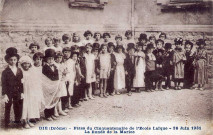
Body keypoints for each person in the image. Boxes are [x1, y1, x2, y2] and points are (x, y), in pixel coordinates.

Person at [2, 47, 23, 129]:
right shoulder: (5, 72)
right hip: (9, 92)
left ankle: (17, 122)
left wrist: (22, 92)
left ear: (17, 60)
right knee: (8, 107)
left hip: (17, 92)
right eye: (11, 60)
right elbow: (3, 84)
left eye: (15, 60)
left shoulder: (19, 70)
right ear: (7, 60)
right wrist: (4, 95)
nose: (13, 61)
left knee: (17, 107)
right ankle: (6, 124)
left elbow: (21, 82)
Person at [20, 56, 41, 129]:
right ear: (22, 65)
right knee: (25, 106)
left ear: (30, 64)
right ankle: (24, 121)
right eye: (24, 64)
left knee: (30, 105)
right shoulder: (20, 71)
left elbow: (35, 80)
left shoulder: (32, 71)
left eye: (27, 64)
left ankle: (29, 119)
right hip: (24, 91)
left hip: (31, 90)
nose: (26, 65)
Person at [42, 49, 60, 121]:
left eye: (52, 58)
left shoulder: (55, 66)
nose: (51, 60)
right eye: (49, 59)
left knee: (53, 99)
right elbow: (44, 78)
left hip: (54, 86)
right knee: (47, 100)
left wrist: (56, 84)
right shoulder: (44, 67)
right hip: (47, 86)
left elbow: (57, 76)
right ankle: (47, 115)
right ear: (46, 59)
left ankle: (52, 113)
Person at [54, 51, 68, 117]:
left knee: (60, 96)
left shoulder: (62, 64)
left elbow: (65, 72)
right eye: (57, 57)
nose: (59, 59)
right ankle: (55, 110)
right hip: (56, 81)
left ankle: (60, 109)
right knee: (56, 96)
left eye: (60, 57)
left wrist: (64, 75)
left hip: (61, 81)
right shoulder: (54, 64)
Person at [62, 47, 75, 111]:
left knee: (70, 90)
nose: (67, 54)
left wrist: (74, 78)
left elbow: (73, 70)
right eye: (65, 52)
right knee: (65, 91)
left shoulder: (71, 61)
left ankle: (69, 104)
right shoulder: (62, 60)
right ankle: (64, 105)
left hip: (70, 77)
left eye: (69, 52)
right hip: (64, 78)